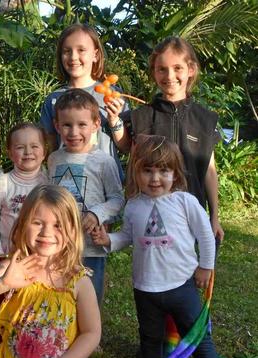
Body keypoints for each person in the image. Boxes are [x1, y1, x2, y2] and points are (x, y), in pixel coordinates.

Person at [91, 135, 217, 358]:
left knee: (198, 337)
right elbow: (128, 236)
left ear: (175, 174)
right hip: (145, 289)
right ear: (136, 173)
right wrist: (107, 239)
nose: (155, 178)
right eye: (147, 170)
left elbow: (206, 235)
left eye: (163, 171)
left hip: (182, 285)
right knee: (150, 339)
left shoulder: (184, 202)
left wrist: (206, 266)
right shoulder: (134, 205)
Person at [0, 185, 101, 358]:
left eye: (58, 225)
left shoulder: (78, 281)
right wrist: (2, 284)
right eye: (37, 223)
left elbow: (91, 333)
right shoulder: (13, 268)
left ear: (73, 231)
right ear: (22, 225)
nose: (47, 233)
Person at [121, 36, 224, 244]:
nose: (170, 76)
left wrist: (214, 216)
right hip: (154, 218)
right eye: (162, 69)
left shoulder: (204, 119)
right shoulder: (140, 117)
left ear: (191, 70)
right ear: (154, 72)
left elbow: (210, 171)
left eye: (178, 68)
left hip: (193, 217)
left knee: (197, 273)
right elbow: (131, 160)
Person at [46, 89, 124, 304]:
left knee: (88, 300)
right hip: (57, 245)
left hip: (90, 247)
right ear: (56, 125)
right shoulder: (53, 159)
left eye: (82, 125)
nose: (73, 132)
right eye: (67, 125)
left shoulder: (104, 161)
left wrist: (97, 214)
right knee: (59, 297)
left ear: (96, 124)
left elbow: (118, 200)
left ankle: (91, 337)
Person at [40, 24, 129, 178]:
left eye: (81, 50)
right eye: (67, 51)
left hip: (106, 183)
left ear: (95, 55)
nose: (73, 57)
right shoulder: (53, 100)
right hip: (68, 182)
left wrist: (114, 120)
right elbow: (51, 150)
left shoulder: (113, 95)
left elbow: (126, 146)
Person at [0, 123, 48, 255]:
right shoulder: (2, 183)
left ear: (44, 152)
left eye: (34, 146)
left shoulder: (49, 183)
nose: (28, 152)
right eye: (20, 147)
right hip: (8, 253)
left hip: (39, 254)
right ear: (10, 154)